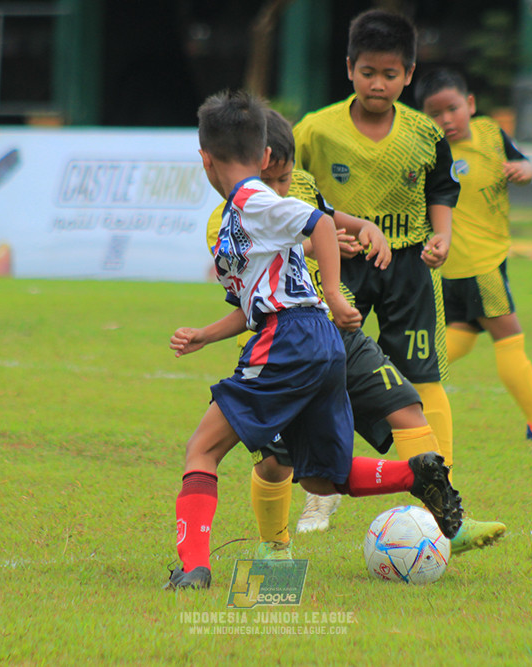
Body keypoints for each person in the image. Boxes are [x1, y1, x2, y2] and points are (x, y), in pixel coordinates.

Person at [165, 89, 463, 590]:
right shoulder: (238, 219)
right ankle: (416, 474)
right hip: (316, 342)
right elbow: (255, 302)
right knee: (324, 476)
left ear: (204, 158)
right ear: (263, 154)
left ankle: (194, 567)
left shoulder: (251, 198)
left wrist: (334, 291)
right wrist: (205, 335)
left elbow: (320, 223)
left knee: (202, 451)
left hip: (292, 339)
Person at [206, 109, 505, 558]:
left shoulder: (301, 187)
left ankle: (449, 526)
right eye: (275, 183)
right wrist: (312, 245)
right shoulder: (228, 218)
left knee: (406, 407)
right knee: (276, 462)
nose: (284, 191)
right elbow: (259, 279)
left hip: (331, 334)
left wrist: (366, 229)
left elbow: (329, 217)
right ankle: (275, 546)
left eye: (287, 179)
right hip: (274, 349)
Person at [292, 9, 462, 530]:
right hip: (337, 267)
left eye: (391, 74)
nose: (378, 83)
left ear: (409, 74)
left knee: (422, 378)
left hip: (407, 265)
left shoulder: (423, 133)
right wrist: (319, 236)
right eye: (368, 72)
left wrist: (443, 238)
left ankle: (440, 487)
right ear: (349, 68)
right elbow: (288, 193)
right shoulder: (316, 131)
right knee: (325, 370)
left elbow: (441, 190)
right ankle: (321, 490)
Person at [414, 67, 532, 441]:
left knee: (460, 335)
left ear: (470, 104)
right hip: (475, 264)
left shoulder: (492, 133)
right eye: (435, 113)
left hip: (484, 260)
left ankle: (399, 386)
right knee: (509, 335)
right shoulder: (430, 152)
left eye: (453, 108)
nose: (446, 119)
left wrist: (522, 171)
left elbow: (524, 163)